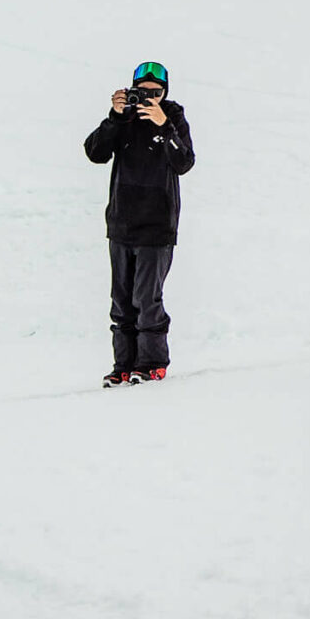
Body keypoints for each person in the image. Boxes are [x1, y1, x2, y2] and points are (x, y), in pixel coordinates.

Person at [83, 61, 195, 385]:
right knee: (121, 302)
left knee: (147, 298)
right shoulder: (124, 118)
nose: (147, 99)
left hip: (157, 227)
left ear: (165, 93)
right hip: (121, 224)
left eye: (155, 93)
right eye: (141, 92)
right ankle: (124, 365)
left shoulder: (172, 117)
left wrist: (164, 127)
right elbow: (95, 152)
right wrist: (115, 117)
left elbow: (184, 161)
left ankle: (151, 363)